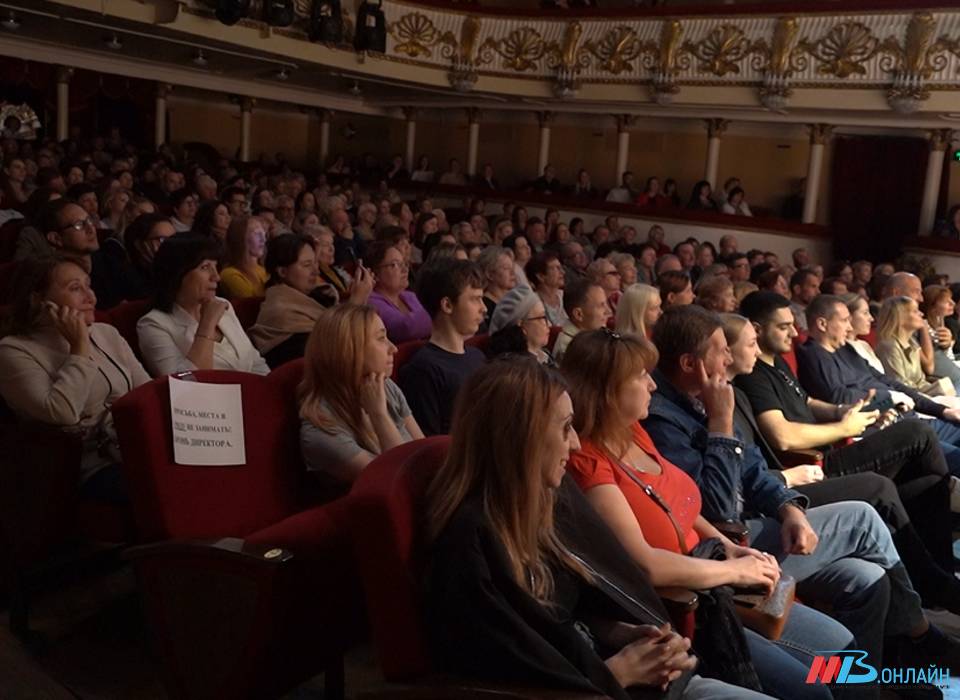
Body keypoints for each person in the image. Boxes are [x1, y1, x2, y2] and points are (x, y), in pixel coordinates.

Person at [424, 358, 769, 700]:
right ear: (518, 439)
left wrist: (619, 632)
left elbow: (562, 617)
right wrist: (620, 670)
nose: (574, 443)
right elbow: (501, 670)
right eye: (564, 428)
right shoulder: (468, 545)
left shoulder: (546, 503)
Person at [644, 304, 960, 671]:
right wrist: (720, 425)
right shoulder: (665, 419)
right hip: (725, 547)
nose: (729, 356)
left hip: (761, 524)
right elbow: (718, 511)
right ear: (689, 364)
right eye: (722, 350)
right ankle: (922, 634)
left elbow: (755, 470)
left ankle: (871, 681)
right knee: (863, 516)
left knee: (867, 579)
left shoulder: (708, 396)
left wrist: (789, 508)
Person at [561, 329, 854, 700]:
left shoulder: (632, 430)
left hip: (716, 575)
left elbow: (678, 504)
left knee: (846, 646)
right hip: (690, 610)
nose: (652, 385)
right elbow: (647, 565)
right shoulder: (587, 460)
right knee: (813, 689)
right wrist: (732, 570)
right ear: (605, 390)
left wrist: (727, 547)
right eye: (639, 377)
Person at [723, 311, 960, 613]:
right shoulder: (747, 381)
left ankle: (937, 573)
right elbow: (781, 438)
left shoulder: (763, 371)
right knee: (910, 445)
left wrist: (842, 412)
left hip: (795, 473)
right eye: (783, 326)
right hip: (810, 465)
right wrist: (842, 429)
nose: (795, 333)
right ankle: (936, 582)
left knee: (923, 478)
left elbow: (806, 402)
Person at [0, 257, 150, 503]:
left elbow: (146, 392)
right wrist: (79, 347)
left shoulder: (106, 333)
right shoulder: (13, 351)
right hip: (84, 466)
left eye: (88, 285)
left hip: (132, 446)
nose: (90, 297)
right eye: (75, 288)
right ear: (39, 299)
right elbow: (62, 412)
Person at [794, 293, 960, 475]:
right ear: (822, 324)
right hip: (889, 429)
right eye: (844, 321)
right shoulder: (812, 354)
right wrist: (888, 397)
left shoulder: (846, 349)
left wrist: (941, 410)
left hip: (909, 418)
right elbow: (837, 397)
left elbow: (888, 382)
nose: (849, 327)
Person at [299, 304, 423, 484]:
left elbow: (426, 453)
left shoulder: (385, 386)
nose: (394, 348)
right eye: (381, 338)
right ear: (347, 351)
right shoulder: (320, 431)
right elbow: (401, 482)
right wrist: (379, 414)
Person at [137, 237, 269, 377]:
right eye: (205, 267)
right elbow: (185, 385)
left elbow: (255, 361)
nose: (216, 277)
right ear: (178, 273)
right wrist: (207, 324)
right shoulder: (153, 325)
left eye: (216, 267)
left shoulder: (222, 304)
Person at [398, 259, 487, 436]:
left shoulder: (477, 356)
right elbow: (428, 445)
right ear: (447, 305)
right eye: (475, 299)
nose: (483, 308)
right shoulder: (423, 370)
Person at [248, 234, 331, 369]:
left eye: (315, 263)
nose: (316, 271)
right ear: (282, 271)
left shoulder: (321, 296)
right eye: (306, 265)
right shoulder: (279, 311)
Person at [876, 296, 955, 396]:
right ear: (900, 316)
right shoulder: (889, 347)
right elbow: (899, 386)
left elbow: (921, 381)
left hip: (924, 397)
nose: (921, 314)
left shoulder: (912, 343)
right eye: (915, 311)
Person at [366, 240, 432, 344]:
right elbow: (405, 328)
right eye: (394, 264)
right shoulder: (370, 302)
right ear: (375, 273)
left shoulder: (410, 296)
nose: (405, 270)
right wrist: (441, 311)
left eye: (404, 263)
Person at [488, 285, 554, 366]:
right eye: (542, 317)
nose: (549, 324)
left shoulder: (545, 357)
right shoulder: (515, 370)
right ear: (522, 326)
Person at [552, 278, 610, 363]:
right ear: (579, 314)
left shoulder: (596, 336)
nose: (608, 311)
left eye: (606, 304)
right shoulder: (570, 349)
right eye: (601, 306)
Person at [121, 213, 175, 300]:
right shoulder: (127, 277)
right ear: (139, 244)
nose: (171, 245)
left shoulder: (178, 271)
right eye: (162, 240)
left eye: (174, 239)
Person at [219, 216, 269, 299]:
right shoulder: (230, 274)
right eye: (257, 234)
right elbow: (251, 305)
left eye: (264, 234)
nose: (263, 239)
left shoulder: (264, 270)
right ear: (240, 238)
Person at [476, 245, 516, 325]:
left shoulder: (514, 302)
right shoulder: (485, 307)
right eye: (506, 268)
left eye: (512, 268)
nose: (513, 273)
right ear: (490, 274)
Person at [527, 251, 567, 327]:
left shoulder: (566, 296)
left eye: (561, 267)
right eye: (556, 268)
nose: (563, 272)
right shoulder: (532, 303)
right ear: (541, 276)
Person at [788, 268, 819, 333]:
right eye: (813, 287)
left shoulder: (817, 310)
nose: (818, 292)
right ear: (797, 289)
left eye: (817, 287)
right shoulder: (788, 313)